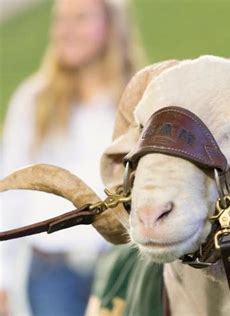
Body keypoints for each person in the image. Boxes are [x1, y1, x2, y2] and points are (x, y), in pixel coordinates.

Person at [0, 0, 144, 315]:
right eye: (61, 20)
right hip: (53, 272)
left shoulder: (137, 98)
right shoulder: (34, 99)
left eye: (80, 18)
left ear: (110, 25)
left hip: (122, 264)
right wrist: (2, 276)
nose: (67, 30)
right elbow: (9, 191)